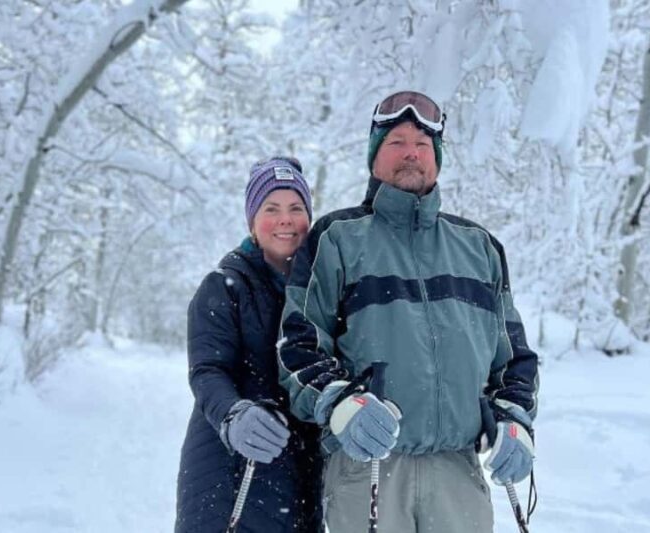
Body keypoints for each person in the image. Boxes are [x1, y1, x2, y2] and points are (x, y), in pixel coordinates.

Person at [277, 91, 539, 533]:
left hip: (457, 472)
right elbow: (297, 345)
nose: (411, 153)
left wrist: (515, 421)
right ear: (374, 156)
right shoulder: (337, 238)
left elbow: (514, 360)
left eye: (422, 144)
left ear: (437, 158)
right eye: (396, 142)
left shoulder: (479, 248)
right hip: (369, 467)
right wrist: (342, 403)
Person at [176, 156, 322, 533]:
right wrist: (233, 414)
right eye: (271, 208)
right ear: (252, 223)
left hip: (300, 479)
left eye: (295, 208)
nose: (285, 219)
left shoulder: (321, 294)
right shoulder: (224, 286)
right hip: (230, 475)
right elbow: (208, 371)